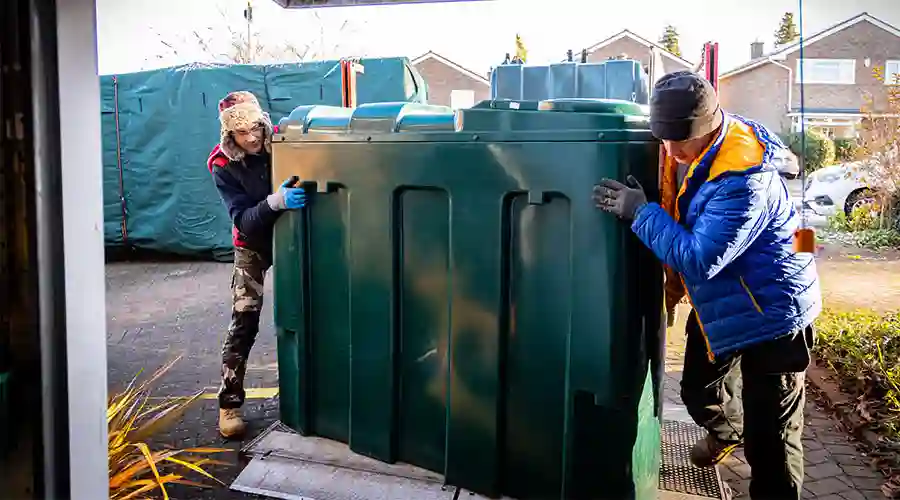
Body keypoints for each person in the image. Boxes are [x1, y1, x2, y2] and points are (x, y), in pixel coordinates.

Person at [593, 71, 821, 500]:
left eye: (680, 141)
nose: (671, 152)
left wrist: (640, 213)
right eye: (664, 140)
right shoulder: (700, 153)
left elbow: (700, 259)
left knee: (770, 440)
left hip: (775, 316)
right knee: (698, 391)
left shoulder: (743, 179)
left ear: (710, 127)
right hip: (728, 305)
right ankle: (729, 431)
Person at [209, 91, 307, 438]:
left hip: (291, 238)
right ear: (228, 136)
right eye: (240, 133)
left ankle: (314, 394)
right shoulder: (222, 165)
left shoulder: (283, 139)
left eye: (254, 128)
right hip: (252, 245)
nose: (250, 137)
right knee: (244, 321)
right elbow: (244, 221)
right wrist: (276, 201)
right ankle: (229, 405)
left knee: (311, 309)